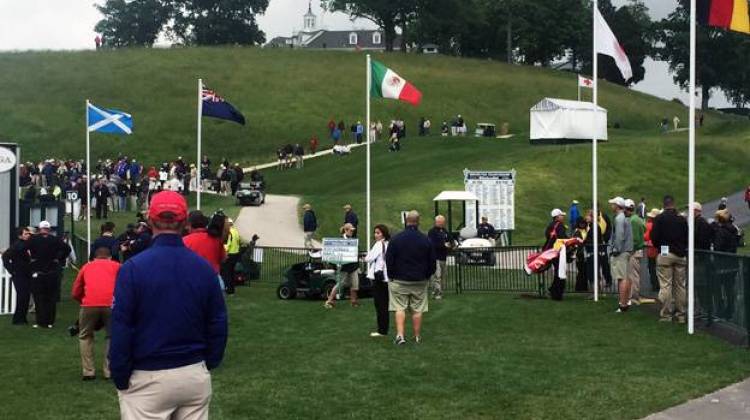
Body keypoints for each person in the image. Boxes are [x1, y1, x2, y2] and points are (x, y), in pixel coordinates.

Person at [109, 191, 228, 419]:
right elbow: (218, 321)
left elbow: (122, 326)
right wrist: (210, 361)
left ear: (150, 219)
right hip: (193, 372)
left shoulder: (133, 268)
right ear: (184, 222)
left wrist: (120, 374)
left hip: (148, 375)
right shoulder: (204, 268)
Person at [385, 211, 436, 345]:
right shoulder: (425, 239)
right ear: (418, 221)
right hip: (419, 279)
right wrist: (427, 275)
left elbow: (389, 260)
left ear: (406, 221)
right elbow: (432, 261)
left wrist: (391, 275)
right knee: (417, 309)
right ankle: (417, 336)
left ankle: (400, 335)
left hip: (399, 278)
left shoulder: (396, 239)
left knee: (400, 308)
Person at [72, 246, 120, 380]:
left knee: (85, 336)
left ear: (94, 257)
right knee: (112, 336)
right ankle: (109, 370)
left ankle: (88, 371)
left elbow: (76, 290)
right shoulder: (117, 266)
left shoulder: (86, 267)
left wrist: (82, 300)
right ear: (110, 257)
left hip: (89, 304)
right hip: (112, 304)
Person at [26, 221, 71, 328]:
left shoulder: (33, 239)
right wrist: (59, 258)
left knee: (39, 297)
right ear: (49, 229)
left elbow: (25, 249)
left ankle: (40, 321)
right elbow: (67, 249)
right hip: (52, 271)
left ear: (39, 229)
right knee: (51, 297)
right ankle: (50, 321)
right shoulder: (55, 240)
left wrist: (31, 258)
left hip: (38, 272)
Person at [651, 195, 688, 323]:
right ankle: (681, 314)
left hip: (665, 254)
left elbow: (654, 237)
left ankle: (666, 314)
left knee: (666, 285)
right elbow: (687, 236)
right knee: (680, 286)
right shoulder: (682, 219)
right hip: (680, 254)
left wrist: (659, 247)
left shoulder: (659, 219)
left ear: (664, 204)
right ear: (673, 204)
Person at [183, 211, 227, 284]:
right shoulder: (216, 240)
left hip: (193, 280)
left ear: (190, 224)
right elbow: (224, 259)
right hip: (214, 280)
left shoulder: (184, 241)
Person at [324, 223, 360, 308]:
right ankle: (329, 301)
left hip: (353, 266)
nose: (352, 232)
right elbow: (334, 254)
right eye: (351, 230)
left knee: (355, 284)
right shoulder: (339, 240)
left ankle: (353, 302)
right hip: (343, 267)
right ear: (346, 230)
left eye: (352, 230)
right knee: (340, 284)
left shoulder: (353, 240)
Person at [2, 227, 32, 325]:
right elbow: (5, 256)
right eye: (26, 234)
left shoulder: (25, 245)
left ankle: (22, 318)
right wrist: (11, 270)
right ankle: (18, 319)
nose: (28, 235)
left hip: (25, 274)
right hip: (19, 274)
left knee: (25, 296)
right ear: (20, 236)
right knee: (22, 296)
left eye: (28, 234)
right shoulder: (17, 245)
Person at [609, 197, 633, 313]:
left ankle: (623, 304)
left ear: (617, 205)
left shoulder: (619, 218)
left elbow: (619, 236)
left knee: (621, 278)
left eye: (613, 204)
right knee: (626, 277)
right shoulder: (624, 217)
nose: (611, 206)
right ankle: (625, 302)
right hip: (627, 251)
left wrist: (616, 250)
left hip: (621, 251)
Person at [366, 225, 390, 337]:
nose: (376, 235)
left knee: (380, 305)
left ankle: (382, 330)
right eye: (375, 233)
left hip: (379, 278)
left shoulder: (378, 244)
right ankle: (383, 328)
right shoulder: (387, 244)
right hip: (386, 278)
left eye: (378, 233)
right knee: (384, 304)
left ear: (383, 234)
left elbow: (368, 258)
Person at [544, 209, 568, 300]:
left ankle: (553, 290)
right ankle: (557, 293)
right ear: (557, 217)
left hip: (551, 252)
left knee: (557, 271)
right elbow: (563, 238)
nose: (563, 217)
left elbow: (547, 236)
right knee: (560, 272)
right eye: (561, 215)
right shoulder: (560, 226)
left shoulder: (550, 226)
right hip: (559, 252)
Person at [626, 199, 646, 305]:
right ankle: (634, 295)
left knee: (633, 275)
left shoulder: (633, 220)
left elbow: (635, 239)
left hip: (634, 250)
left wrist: (630, 250)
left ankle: (633, 297)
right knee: (635, 274)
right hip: (639, 250)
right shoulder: (638, 219)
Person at [427, 215, 450, 300]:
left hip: (443, 257)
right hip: (435, 257)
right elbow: (432, 244)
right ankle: (437, 293)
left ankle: (439, 290)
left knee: (443, 275)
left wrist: (452, 244)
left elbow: (449, 239)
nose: (443, 223)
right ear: (437, 222)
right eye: (441, 222)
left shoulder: (444, 231)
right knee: (437, 276)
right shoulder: (432, 232)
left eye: (443, 222)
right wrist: (443, 245)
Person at [222, 218, 241, 295]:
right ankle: (232, 290)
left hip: (229, 254)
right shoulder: (236, 231)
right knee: (232, 272)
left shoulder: (229, 232)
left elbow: (227, 244)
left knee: (227, 273)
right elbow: (238, 242)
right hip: (235, 254)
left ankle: (228, 290)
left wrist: (224, 252)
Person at [644, 208, 661, 293]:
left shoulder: (649, 225)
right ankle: (659, 284)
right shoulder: (661, 224)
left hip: (651, 249)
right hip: (660, 249)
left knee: (652, 267)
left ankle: (655, 284)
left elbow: (646, 237)